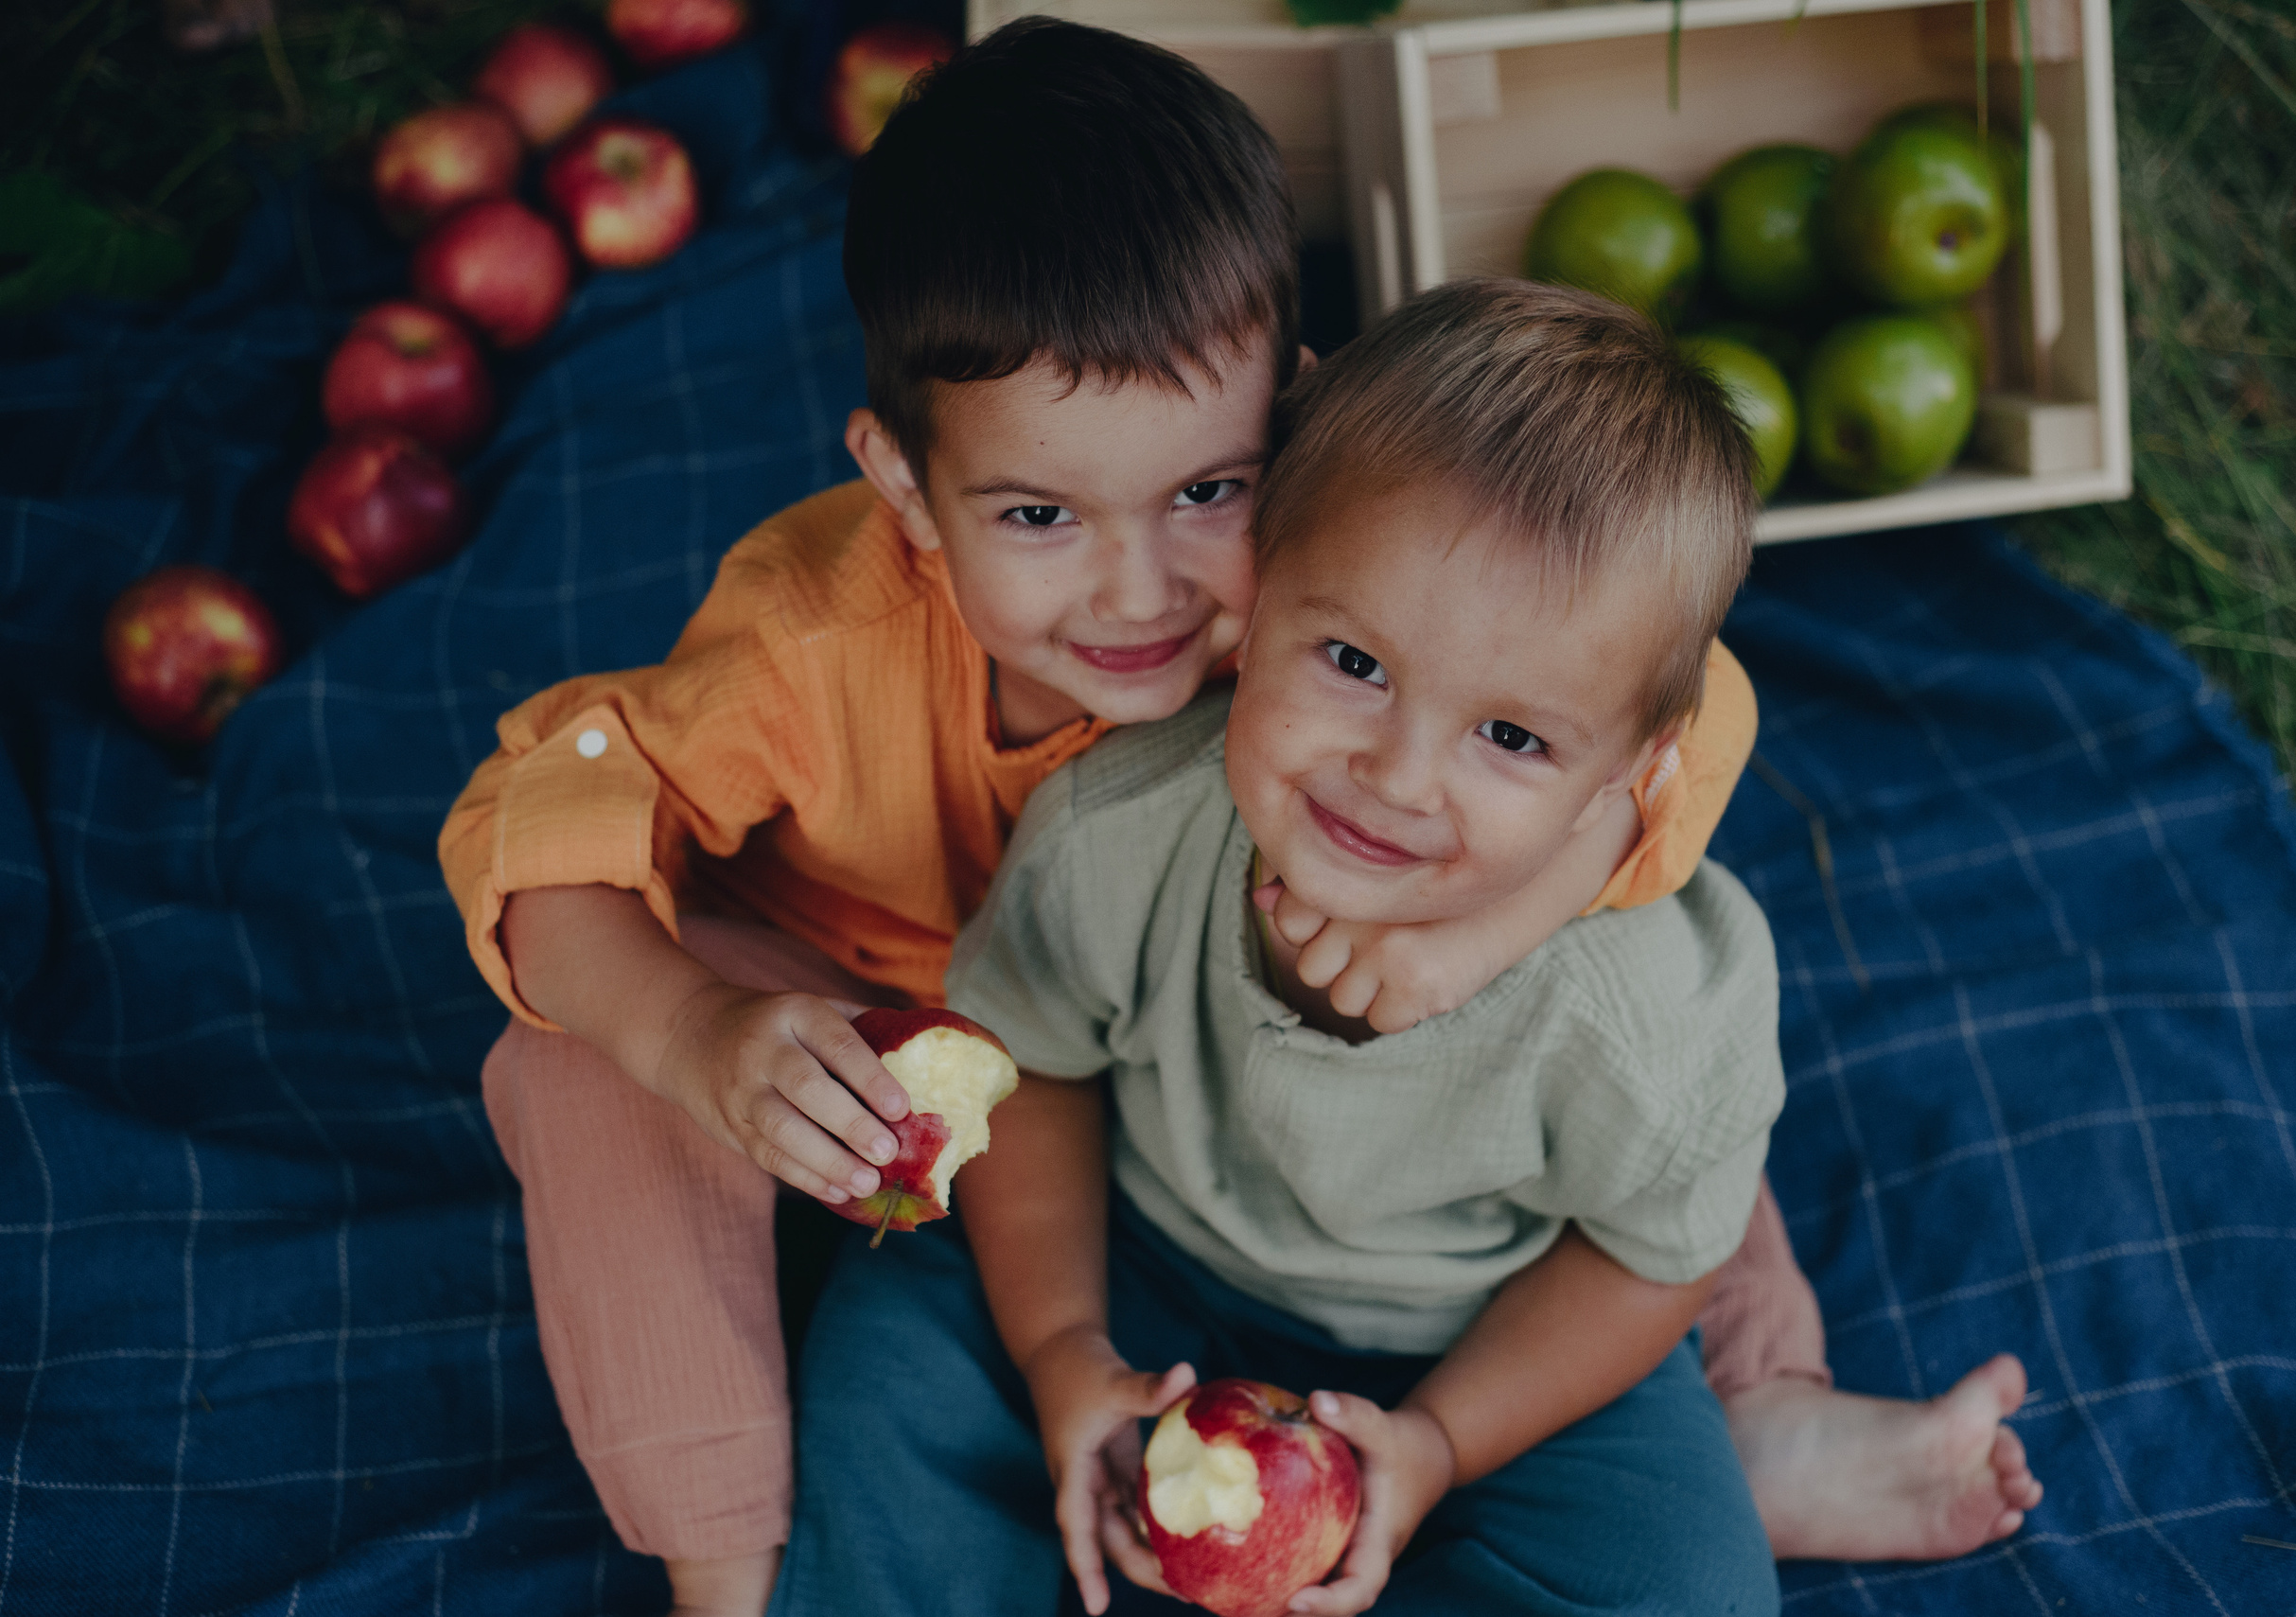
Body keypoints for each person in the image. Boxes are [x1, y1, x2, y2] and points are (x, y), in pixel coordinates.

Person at [437, 22, 2033, 1616]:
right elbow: (545, 819)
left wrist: (1485, 926)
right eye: (1042, 515)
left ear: (1301, 418)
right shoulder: (845, 654)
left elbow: (1671, 707)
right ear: (910, 492)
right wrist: (700, 1031)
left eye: (1210, 491)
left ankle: (1761, 1406)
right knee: (593, 1072)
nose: (1142, 590)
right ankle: (733, 1569)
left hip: (1353, 1126)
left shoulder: (1389, 620)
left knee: (1643, 1059)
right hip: (900, 1035)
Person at [780, 281, 2041, 1617]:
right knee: (892, 1357)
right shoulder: (1121, 829)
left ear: (1629, 776)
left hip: (1487, 1338)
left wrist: (1440, 1442)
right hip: (1136, 1246)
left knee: (1683, 1585)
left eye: (1511, 738)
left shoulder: (1649, 1011)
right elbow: (1032, 1064)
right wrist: (1061, 1352)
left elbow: (1642, 1262)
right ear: (1259, 593)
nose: (1394, 773)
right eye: (1353, 660)